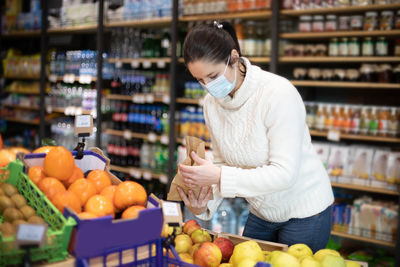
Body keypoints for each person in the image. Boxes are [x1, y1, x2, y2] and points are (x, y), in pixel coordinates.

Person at [176, 21, 334, 252]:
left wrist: (218, 176)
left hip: (306, 212)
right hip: (262, 209)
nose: (209, 87)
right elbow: (222, 161)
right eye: (200, 80)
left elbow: (284, 174)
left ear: (234, 57)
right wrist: (204, 203)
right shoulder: (211, 104)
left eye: (213, 76)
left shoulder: (277, 93)